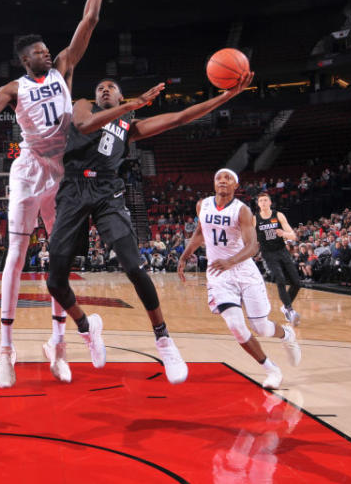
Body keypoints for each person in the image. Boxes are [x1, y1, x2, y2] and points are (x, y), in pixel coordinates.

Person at [0, 0, 109, 388]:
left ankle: (57, 345)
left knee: (59, 261)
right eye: (39, 52)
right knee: (16, 257)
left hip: (62, 173)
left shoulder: (64, 68)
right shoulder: (15, 88)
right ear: (27, 61)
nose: (48, 53)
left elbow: (89, 18)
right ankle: (5, 351)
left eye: (48, 49)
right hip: (28, 170)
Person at [45, 75, 252, 381]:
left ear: (119, 97)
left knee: (134, 267)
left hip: (107, 192)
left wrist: (227, 96)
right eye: (100, 87)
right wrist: (135, 103)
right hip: (74, 188)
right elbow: (84, 126)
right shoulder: (82, 106)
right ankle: (88, 328)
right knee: (54, 281)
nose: (104, 90)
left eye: (111, 88)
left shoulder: (128, 127)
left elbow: (181, 117)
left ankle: (164, 339)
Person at [178, 169, 302, 389]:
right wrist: (185, 255)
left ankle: (287, 334)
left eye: (228, 178)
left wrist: (230, 261)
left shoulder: (242, 211)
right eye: (219, 178)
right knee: (236, 325)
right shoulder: (202, 205)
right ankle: (271, 369)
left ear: (236, 186)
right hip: (219, 276)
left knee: (261, 328)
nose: (223, 181)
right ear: (214, 183)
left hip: (244, 272)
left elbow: (253, 246)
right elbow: (200, 233)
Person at [255, 192, 301, 324]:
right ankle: (289, 310)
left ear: (270, 202)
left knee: (297, 283)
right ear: (258, 204)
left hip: (282, 251)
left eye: (265, 200)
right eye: (261, 201)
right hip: (268, 254)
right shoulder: (255, 219)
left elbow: (293, 236)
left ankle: (285, 306)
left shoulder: (278, 215)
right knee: (280, 279)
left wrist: (283, 233)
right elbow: (249, 237)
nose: (263, 203)